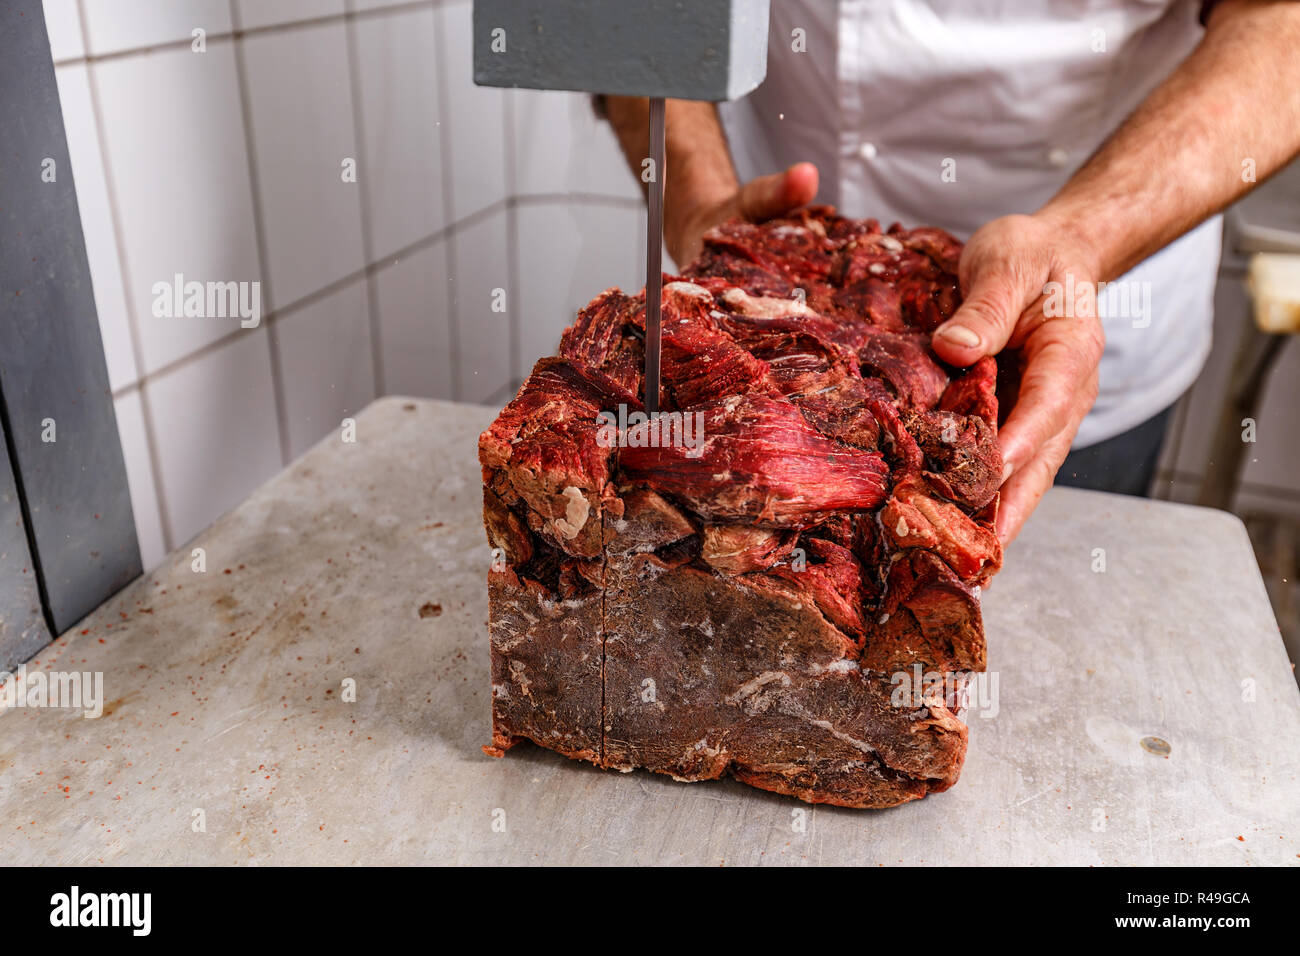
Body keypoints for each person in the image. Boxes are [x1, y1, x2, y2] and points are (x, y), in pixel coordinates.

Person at [602, 0, 1300, 543]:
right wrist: (700, 209)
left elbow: (1281, 26)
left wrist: (1081, 238)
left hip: (1087, 295)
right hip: (772, 292)